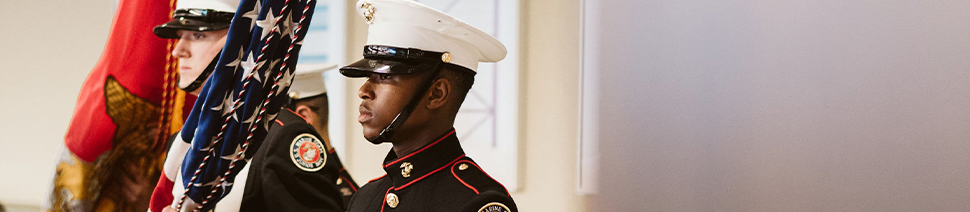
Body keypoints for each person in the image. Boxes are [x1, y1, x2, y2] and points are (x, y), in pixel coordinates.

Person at [148, 0, 356, 211]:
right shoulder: (183, 140)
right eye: (180, 37)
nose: (178, 51)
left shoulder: (279, 137)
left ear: (241, 41)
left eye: (197, 35)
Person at [339, 0, 517, 211]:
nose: (364, 90)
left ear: (436, 94)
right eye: (370, 76)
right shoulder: (366, 198)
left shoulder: (476, 201)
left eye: (385, 77)